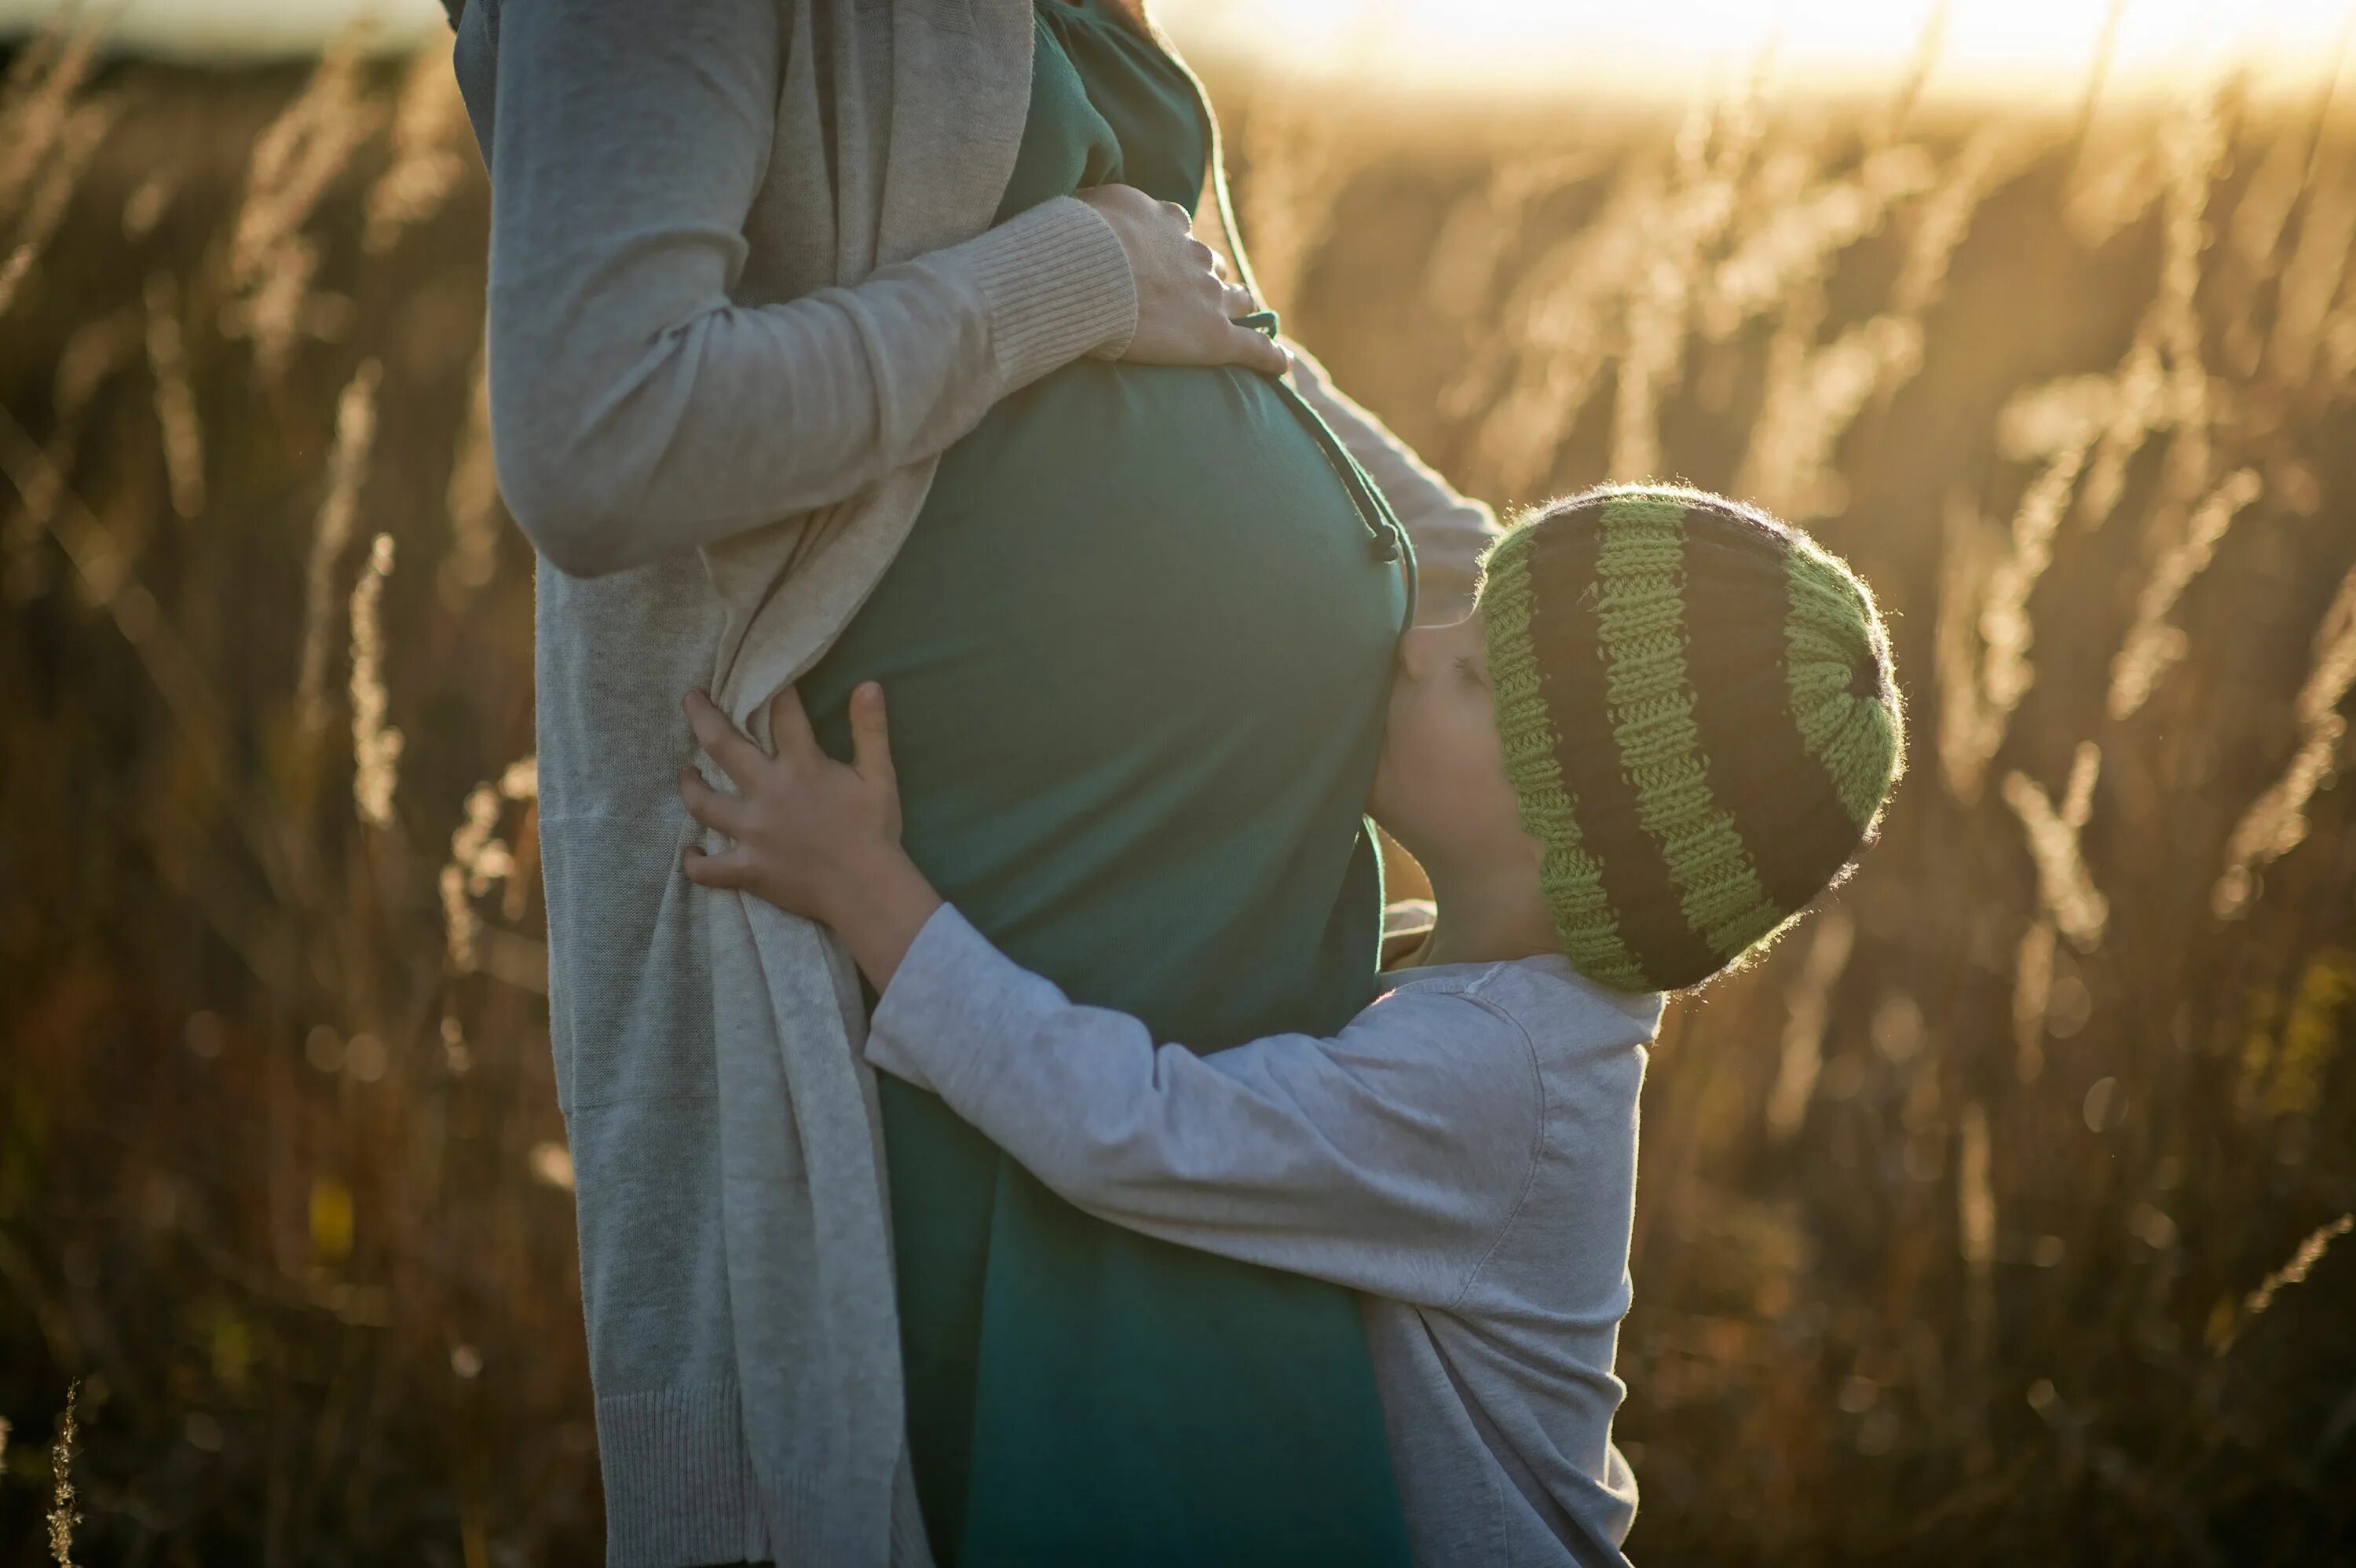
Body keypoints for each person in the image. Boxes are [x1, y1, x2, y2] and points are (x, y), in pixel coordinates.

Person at [448, 0, 1498, 1562]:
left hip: (1203, 1034)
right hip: (954, 1043)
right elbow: (601, 432)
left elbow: (1207, 318)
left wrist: (1536, 613)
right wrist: (1059, 284)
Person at [674, 486, 1908, 1567]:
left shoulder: (1492, 1079)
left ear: (1571, 846)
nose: (1416, 650)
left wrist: (868, 892)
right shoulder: (1525, 994)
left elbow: (1134, 1131)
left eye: (1473, 675)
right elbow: (1406, 498)